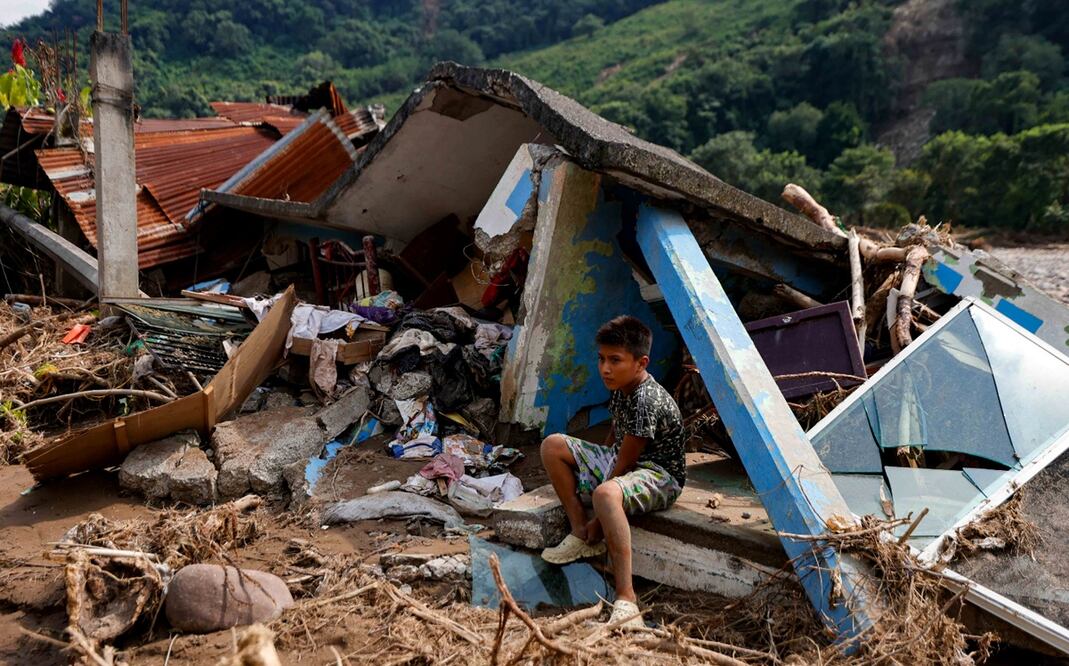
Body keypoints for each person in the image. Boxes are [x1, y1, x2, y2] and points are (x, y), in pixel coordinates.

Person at [539, 315, 686, 630]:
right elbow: (617, 438)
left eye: (615, 360)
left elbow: (627, 463)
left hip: (660, 474)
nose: (605, 368)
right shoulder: (622, 386)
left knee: (605, 494)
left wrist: (600, 518)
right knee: (552, 445)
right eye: (601, 359)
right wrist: (597, 461)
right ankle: (579, 532)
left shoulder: (646, 400)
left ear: (640, 362)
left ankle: (626, 599)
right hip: (627, 459)